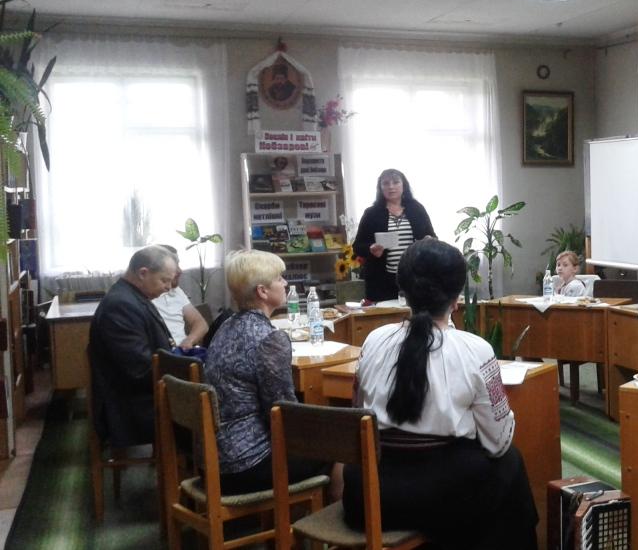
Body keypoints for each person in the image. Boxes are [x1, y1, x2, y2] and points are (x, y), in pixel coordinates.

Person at [342, 239, 538, 549]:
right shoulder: (476, 349)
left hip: (367, 495)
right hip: (444, 499)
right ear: (457, 297)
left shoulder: (374, 340)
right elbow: (498, 442)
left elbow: (358, 413)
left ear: (403, 289)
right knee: (511, 463)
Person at [204, 250, 331, 495]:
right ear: (262, 291)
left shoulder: (225, 325)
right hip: (249, 462)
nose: (285, 284)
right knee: (343, 446)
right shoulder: (270, 339)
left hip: (215, 458)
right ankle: (327, 517)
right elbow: (283, 412)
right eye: (279, 278)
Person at [88, 245, 178, 448]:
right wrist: (184, 373)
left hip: (142, 397)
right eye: (164, 280)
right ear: (143, 273)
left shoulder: (131, 296)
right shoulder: (120, 306)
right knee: (208, 413)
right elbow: (141, 370)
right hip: (131, 410)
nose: (168, 287)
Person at [353, 169, 436, 303]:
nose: (391, 187)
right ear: (380, 188)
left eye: (396, 182)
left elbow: (432, 237)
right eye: (386, 183)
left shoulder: (417, 209)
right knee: (385, 313)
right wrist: (371, 249)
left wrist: (429, 240)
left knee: (414, 312)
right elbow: (357, 246)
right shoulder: (371, 213)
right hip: (381, 280)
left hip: (414, 277)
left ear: (404, 185)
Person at [153, 245, 209, 350]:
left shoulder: (177, 291)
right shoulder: (147, 296)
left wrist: (189, 341)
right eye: (174, 267)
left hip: (182, 352)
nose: (180, 271)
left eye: (178, 264)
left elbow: (201, 324)